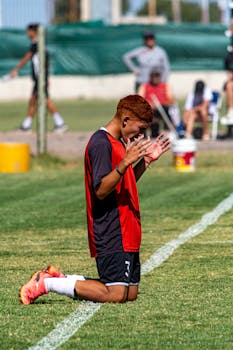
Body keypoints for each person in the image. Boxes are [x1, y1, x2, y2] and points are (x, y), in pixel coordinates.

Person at [19, 95, 170, 305]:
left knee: (130, 294)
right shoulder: (101, 143)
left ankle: (61, 279)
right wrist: (125, 162)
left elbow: (123, 182)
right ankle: (46, 284)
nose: (141, 134)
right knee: (116, 294)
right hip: (112, 228)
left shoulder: (119, 143)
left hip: (128, 228)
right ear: (125, 120)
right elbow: (100, 190)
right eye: (140, 128)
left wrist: (144, 161)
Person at [9, 23, 67, 132]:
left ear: (33, 32)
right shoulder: (38, 44)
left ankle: (60, 123)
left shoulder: (37, 44)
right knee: (35, 100)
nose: (27, 33)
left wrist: (16, 69)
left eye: (28, 31)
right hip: (39, 78)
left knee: (43, 100)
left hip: (40, 78)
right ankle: (28, 125)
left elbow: (28, 57)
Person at [138, 69, 175, 138]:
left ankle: (167, 131)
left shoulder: (165, 86)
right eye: (153, 76)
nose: (155, 78)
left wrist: (158, 105)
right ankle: (143, 133)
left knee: (168, 110)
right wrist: (149, 105)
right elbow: (139, 100)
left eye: (157, 76)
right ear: (150, 77)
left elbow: (171, 100)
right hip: (148, 109)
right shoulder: (144, 86)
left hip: (162, 109)